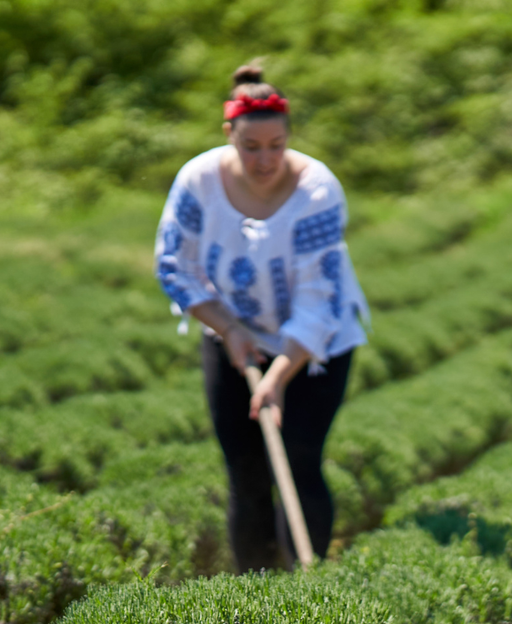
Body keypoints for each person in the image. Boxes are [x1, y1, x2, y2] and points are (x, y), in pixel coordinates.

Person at [154, 63, 368, 570]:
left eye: (276, 145)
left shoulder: (318, 189)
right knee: (246, 471)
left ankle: (304, 584)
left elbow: (320, 296)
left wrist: (278, 376)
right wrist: (227, 329)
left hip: (317, 347)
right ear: (229, 135)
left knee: (297, 459)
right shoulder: (199, 180)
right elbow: (173, 266)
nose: (265, 158)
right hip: (232, 335)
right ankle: (254, 592)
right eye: (252, 146)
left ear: (290, 137)